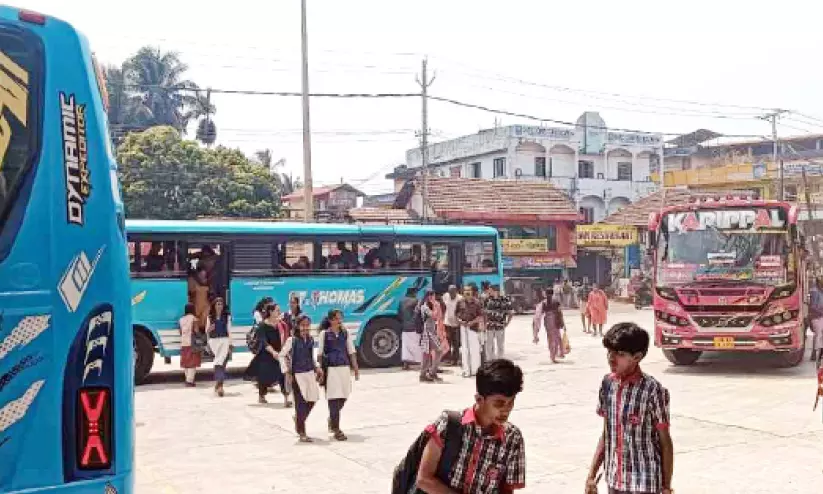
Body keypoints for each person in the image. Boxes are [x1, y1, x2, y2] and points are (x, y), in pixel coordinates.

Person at [585, 323, 674, 494]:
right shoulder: (607, 385)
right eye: (609, 352)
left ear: (637, 357)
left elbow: (665, 442)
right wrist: (591, 476)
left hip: (644, 482)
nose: (611, 358)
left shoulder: (653, 390)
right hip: (615, 480)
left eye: (620, 354)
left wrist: (666, 486)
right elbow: (607, 433)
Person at [415, 359, 526, 493]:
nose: (506, 410)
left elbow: (507, 490)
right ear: (479, 399)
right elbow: (424, 479)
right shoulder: (449, 424)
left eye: (511, 402)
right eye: (499, 403)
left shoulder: (513, 438)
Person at [318, 309, 360, 441]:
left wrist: (355, 367)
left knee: (344, 395)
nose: (339, 321)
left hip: (344, 368)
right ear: (331, 320)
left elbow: (351, 351)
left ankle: (332, 418)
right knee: (333, 399)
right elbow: (320, 354)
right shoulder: (324, 334)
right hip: (331, 369)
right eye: (336, 318)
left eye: (340, 318)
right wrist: (320, 370)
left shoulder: (345, 333)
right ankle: (336, 428)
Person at [282, 315, 323, 442]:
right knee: (300, 403)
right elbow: (282, 355)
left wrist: (317, 368)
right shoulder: (292, 340)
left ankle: (299, 420)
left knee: (313, 399)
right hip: (297, 375)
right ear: (297, 326)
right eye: (303, 325)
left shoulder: (310, 339)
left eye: (307, 325)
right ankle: (302, 432)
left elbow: (310, 356)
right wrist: (287, 371)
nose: (305, 328)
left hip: (309, 373)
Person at [249, 303, 291, 406]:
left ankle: (286, 398)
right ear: (271, 312)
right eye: (277, 310)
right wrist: (273, 352)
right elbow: (264, 342)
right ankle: (261, 395)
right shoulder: (262, 326)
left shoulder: (282, 325)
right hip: (266, 355)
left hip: (279, 354)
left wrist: (285, 352)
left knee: (283, 375)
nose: (279, 312)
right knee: (264, 377)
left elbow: (287, 338)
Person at [457, 283, 485, 378]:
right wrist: (460, 321)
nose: (467, 292)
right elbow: (456, 315)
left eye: (468, 290)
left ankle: (475, 371)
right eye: (465, 291)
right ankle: (466, 371)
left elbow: (480, 316)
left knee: (475, 350)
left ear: (472, 292)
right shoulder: (460, 302)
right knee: (465, 350)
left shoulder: (477, 303)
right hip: (463, 328)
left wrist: (472, 322)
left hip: (473, 328)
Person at [206, 297, 232, 397]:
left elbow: (229, 330)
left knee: (220, 362)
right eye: (218, 304)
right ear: (214, 306)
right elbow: (207, 331)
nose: (219, 306)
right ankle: (219, 385)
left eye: (221, 304)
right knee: (220, 362)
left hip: (224, 340)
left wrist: (230, 344)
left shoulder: (226, 317)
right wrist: (209, 329)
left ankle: (219, 386)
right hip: (214, 341)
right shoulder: (210, 317)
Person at [533, 289, 565, 363]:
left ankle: (553, 356)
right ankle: (558, 353)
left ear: (546, 294)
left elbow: (538, 316)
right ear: (552, 294)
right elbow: (560, 312)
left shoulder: (544, 303)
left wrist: (536, 331)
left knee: (550, 338)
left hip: (547, 320)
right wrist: (562, 322)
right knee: (557, 337)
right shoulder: (556, 302)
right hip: (556, 320)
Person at [483, 284, 513, 360]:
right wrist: (485, 323)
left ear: (496, 291)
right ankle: (490, 360)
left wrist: (507, 323)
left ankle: (500, 360)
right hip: (489, 326)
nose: (489, 292)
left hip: (500, 326)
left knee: (500, 345)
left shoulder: (505, 300)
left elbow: (510, 313)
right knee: (489, 345)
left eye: (490, 290)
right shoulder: (487, 300)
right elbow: (484, 313)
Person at [419, 291, 444, 383]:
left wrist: (437, 306)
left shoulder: (431, 305)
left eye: (433, 296)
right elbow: (433, 316)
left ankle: (429, 373)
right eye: (431, 296)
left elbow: (439, 317)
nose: (433, 298)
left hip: (432, 332)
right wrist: (436, 305)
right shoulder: (424, 307)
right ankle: (427, 373)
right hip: (428, 332)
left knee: (429, 353)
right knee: (432, 352)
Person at [179, 303, 201, 386]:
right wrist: (200, 337)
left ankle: (187, 379)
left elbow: (181, 331)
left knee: (186, 362)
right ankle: (190, 381)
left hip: (183, 342)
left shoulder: (181, 319)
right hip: (192, 343)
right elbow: (196, 331)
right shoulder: (194, 319)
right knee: (192, 362)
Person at [400, 288, 422, 370]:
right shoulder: (416, 301)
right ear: (414, 293)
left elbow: (399, 314)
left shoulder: (401, 301)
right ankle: (422, 364)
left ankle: (405, 365)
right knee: (416, 345)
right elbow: (419, 313)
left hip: (405, 327)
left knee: (406, 347)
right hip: (414, 327)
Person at [442, 285, 463, 366]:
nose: (451, 294)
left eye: (452, 292)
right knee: (447, 341)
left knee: (456, 343)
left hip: (456, 324)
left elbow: (461, 310)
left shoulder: (460, 298)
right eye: (450, 292)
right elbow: (443, 306)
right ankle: (448, 358)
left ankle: (455, 359)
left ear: (456, 291)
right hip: (447, 323)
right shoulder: (445, 296)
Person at [810, 276, 823, 361]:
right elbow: (813, 306)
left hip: (820, 316)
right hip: (816, 316)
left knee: (819, 335)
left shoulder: (820, 292)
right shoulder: (815, 292)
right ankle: (814, 353)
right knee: (818, 334)